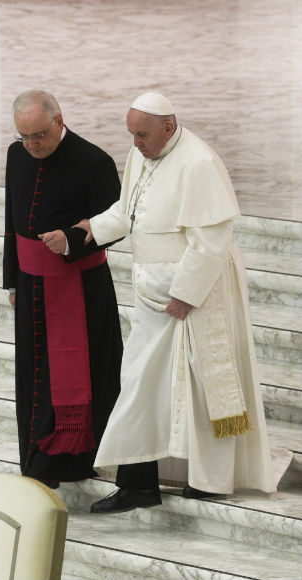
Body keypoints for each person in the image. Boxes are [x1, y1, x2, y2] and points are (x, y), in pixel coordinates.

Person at [78, 91, 291, 513]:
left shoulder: (199, 162)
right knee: (142, 384)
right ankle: (140, 482)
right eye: (132, 134)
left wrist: (186, 293)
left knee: (202, 385)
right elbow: (130, 208)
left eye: (142, 134)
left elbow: (212, 239)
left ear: (168, 127)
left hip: (196, 296)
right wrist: (91, 229)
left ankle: (212, 481)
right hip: (151, 297)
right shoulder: (142, 153)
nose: (135, 143)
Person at [3, 90, 124, 489]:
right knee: (33, 376)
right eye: (25, 137)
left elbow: (118, 225)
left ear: (59, 121)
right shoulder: (16, 155)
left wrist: (72, 239)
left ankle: (73, 462)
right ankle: (35, 460)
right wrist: (12, 279)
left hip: (80, 288)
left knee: (81, 376)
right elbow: (12, 222)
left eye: (39, 135)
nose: (32, 145)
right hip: (30, 284)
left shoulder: (94, 162)